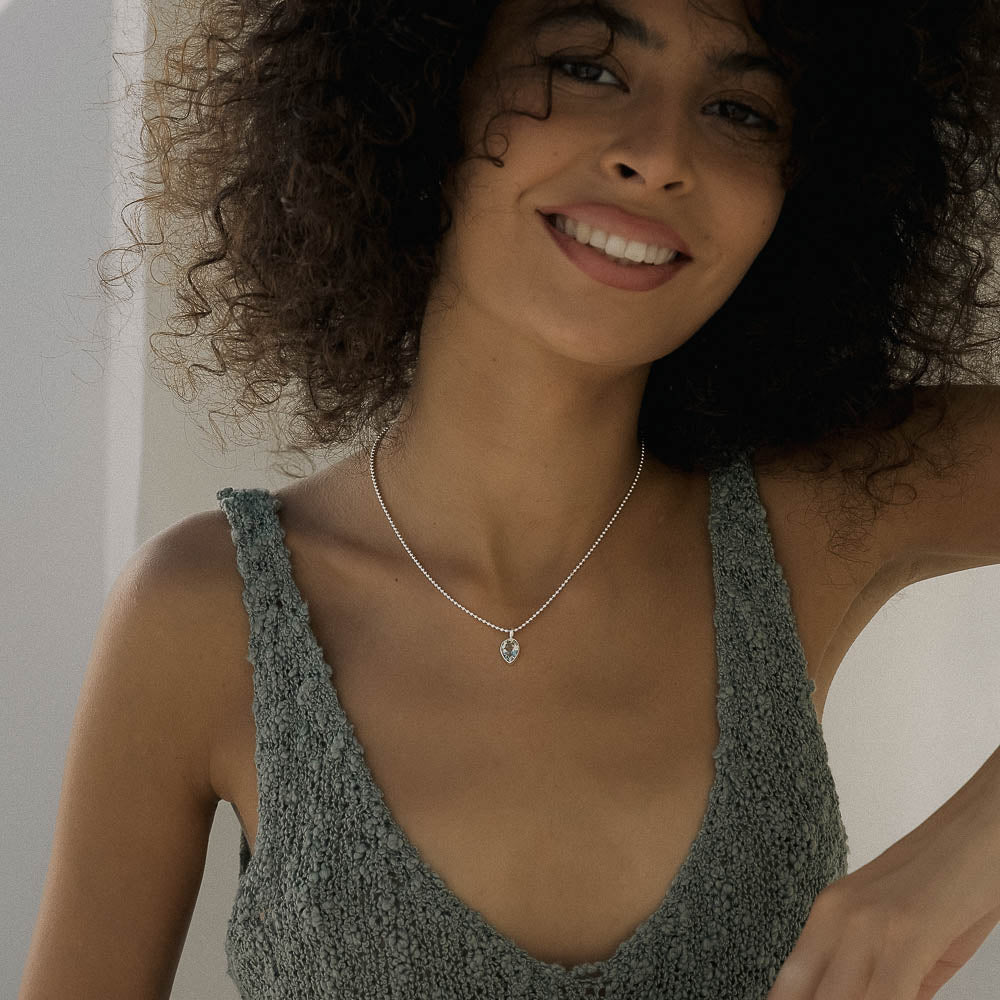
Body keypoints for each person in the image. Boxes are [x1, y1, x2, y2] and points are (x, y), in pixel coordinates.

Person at [20, 0, 1000, 997]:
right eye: (589, 69)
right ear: (424, 96)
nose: (659, 154)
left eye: (741, 110)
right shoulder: (205, 612)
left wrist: (957, 863)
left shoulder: (814, 512)